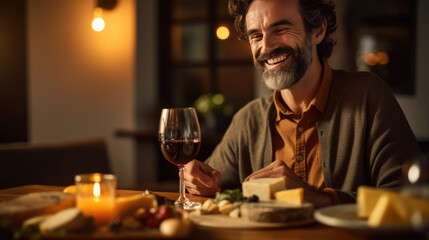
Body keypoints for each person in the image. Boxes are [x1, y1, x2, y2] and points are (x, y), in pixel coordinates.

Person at [183, 0, 421, 208]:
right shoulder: (248, 119)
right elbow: (205, 186)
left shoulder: (369, 95)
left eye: (281, 29)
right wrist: (193, 179)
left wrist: (320, 198)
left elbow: (409, 199)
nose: (266, 46)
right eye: (256, 35)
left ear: (318, 30)